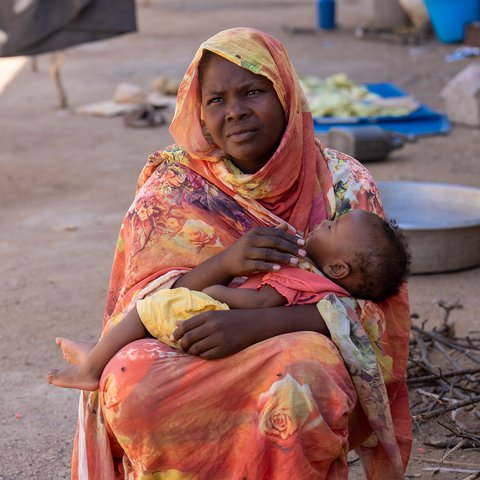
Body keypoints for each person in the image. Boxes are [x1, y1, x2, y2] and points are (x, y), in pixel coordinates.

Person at [66, 27, 412, 479]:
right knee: (130, 383)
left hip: (288, 348)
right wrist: (224, 264)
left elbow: (379, 315)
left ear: (285, 93)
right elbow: (142, 300)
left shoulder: (343, 183)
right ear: (198, 109)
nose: (235, 112)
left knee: (305, 378)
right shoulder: (174, 186)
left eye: (252, 91)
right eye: (216, 100)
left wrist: (259, 323)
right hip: (187, 341)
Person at [47, 209, 410, 391]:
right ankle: (99, 353)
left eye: (330, 227)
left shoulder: (304, 278)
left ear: (338, 267)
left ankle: (91, 367)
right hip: (220, 322)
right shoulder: (319, 282)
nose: (322, 223)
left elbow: (261, 304)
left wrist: (216, 291)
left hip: (219, 317)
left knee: (149, 307)